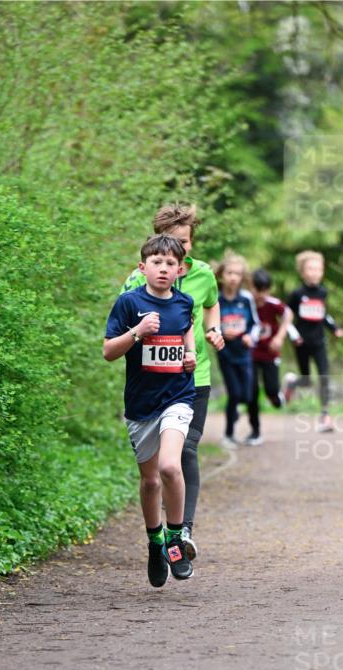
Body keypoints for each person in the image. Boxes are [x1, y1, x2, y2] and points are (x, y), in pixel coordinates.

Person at [121, 203, 224, 561]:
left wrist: (213, 329)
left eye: (186, 243)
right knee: (154, 472)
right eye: (173, 243)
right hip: (149, 384)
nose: (179, 254)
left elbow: (211, 304)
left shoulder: (204, 275)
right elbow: (120, 323)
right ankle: (158, 536)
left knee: (186, 450)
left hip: (193, 378)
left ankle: (183, 532)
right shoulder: (138, 280)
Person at [104, 235, 196, 587]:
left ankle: (175, 539)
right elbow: (109, 352)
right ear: (143, 268)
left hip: (178, 397)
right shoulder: (129, 303)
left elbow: (186, 334)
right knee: (150, 480)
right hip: (141, 405)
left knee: (171, 466)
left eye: (170, 263)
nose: (163, 268)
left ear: (179, 270)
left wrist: (190, 355)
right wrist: (138, 332)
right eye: (156, 262)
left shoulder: (185, 303)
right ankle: (155, 542)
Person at [283, 250, 343, 432]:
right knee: (307, 380)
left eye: (318, 269)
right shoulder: (296, 294)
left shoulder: (323, 292)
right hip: (302, 343)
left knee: (325, 376)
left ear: (322, 271)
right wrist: (293, 336)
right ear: (302, 272)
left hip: (319, 342)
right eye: (310, 269)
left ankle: (325, 416)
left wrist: (335, 329)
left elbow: (323, 314)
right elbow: (286, 317)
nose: (315, 272)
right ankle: (292, 383)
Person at [214, 253, 258, 448]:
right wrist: (222, 332)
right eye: (230, 273)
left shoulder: (247, 298)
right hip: (225, 353)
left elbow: (255, 324)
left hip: (244, 353)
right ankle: (229, 434)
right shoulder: (215, 298)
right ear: (222, 274)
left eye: (238, 274)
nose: (233, 277)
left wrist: (250, 336)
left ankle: (240, 417)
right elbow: (208, 325)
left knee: (247, 395)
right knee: (234, 393)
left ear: (242, 277)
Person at [246, 267, 293, 445]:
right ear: (251, 287)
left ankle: (286, 391)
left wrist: (280, 337)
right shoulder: (246, 302)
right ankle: (255, 431)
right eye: (258, 290)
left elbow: (288, 314)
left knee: (271, 393)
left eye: (265, 290)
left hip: (270, 354)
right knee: (251, 392)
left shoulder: (272, 303)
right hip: (250, 354)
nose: (261, 294)